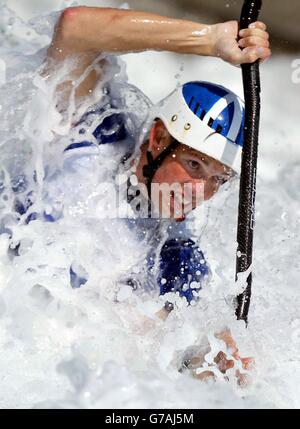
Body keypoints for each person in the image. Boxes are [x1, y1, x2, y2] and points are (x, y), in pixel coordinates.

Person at [44, 6, 270, 380]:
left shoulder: (175, 255)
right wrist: (210, 40)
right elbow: (75, 28)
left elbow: (158, 363)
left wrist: (214, 363)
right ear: (159, 138)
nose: (200, 191)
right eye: (194, 166)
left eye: (218, 179)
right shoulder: (88, 132)